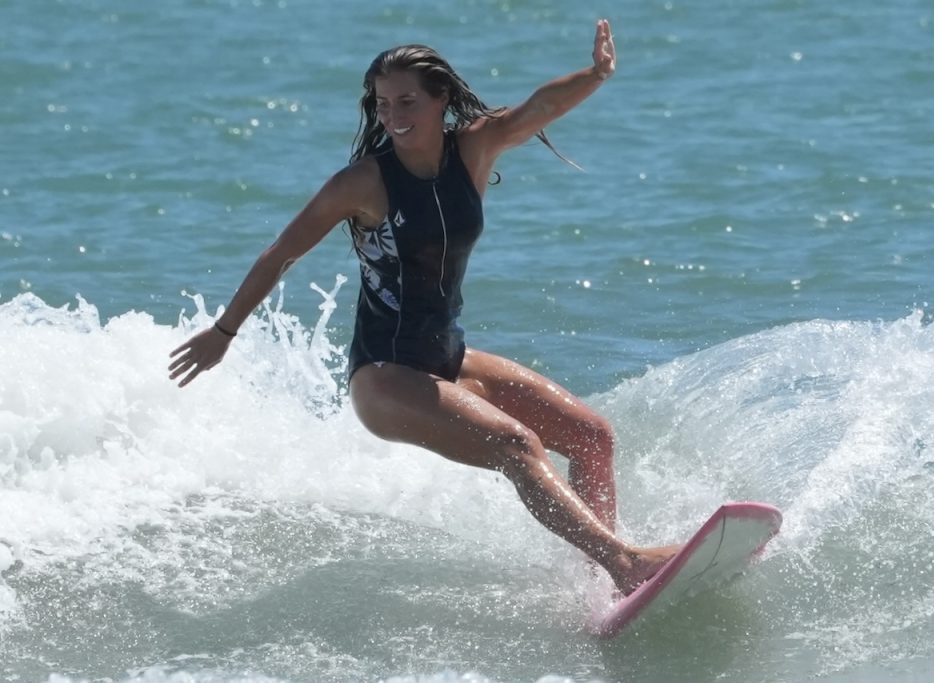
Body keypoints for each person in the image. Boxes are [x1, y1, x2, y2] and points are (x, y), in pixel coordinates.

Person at [169, 19, 677, 596]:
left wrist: (597, 74)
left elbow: (537, 108)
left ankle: (601, 587)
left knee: (592, 437)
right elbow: (280, 253)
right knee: (517, 447)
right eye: (382, 104)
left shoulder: (474, 149)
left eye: (406, 101)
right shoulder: (362, 183)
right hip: (385, 376)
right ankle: (624, 562)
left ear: (441, 100)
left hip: (446, 360)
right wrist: (224, 332)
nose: (393, 115)